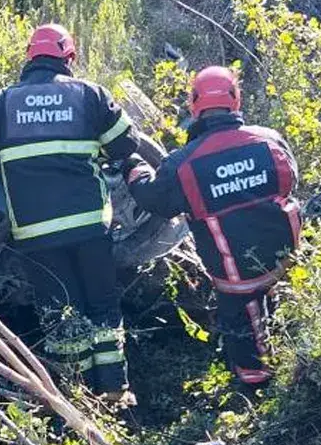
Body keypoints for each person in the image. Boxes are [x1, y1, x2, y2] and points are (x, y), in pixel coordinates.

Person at [0, 24, 139, 403]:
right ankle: (114, 390)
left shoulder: (3, 104)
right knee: (101, 304)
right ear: (70, 57)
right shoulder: (90, 95)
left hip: (37, 234)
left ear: (29, 57)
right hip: (89, 225)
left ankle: (75, 397)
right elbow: (126, 143)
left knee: (61, 311)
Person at [121, 66, 300, 387]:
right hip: (286, 254)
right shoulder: (270, 140)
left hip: (236, 273)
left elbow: (154, 200)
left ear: (194, 105)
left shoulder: (184, 163)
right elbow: (291, 182)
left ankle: (254, 387)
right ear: (236, 100)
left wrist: (133, 167)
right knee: (265, 298)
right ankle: (284, 343)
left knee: (241, 322)